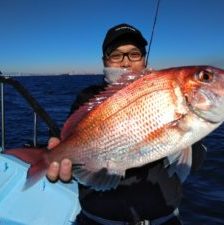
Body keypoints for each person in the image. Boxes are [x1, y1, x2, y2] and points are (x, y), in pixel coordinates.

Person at [47, 23, 206, 225]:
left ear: (144, 59)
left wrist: (187, 136)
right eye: (116, 55)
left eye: (134, 54)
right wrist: (61, 161)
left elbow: (196, 161)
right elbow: (70, 142)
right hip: (98, 219)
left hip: (162, 218)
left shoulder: (166, 95)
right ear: (105, 60)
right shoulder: (88, 98)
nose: (125, 63)